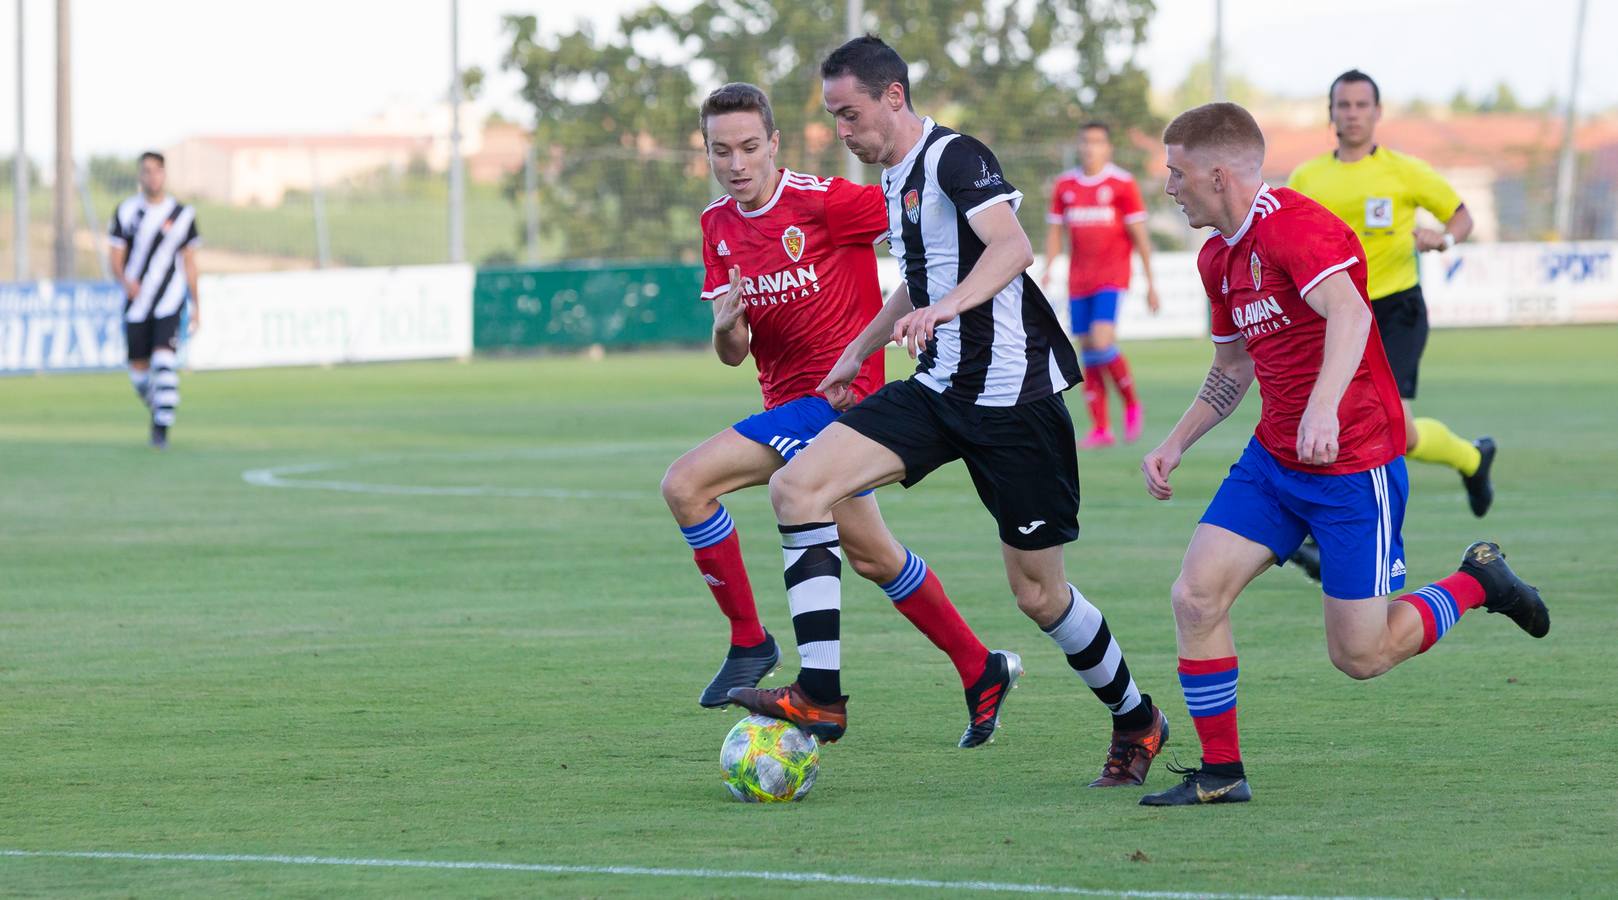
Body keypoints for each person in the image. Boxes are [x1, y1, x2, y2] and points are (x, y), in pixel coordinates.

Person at [728, 36, 1168, 788]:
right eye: (834, 118)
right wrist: (855, 349)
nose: (843, 131)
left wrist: (946, 310)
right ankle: (821, 696)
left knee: (1039, 594)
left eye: (851, 114)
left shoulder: (956, 156)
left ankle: (1136, 718)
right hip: (935, 394)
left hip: (1015, 405)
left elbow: (1012, 248)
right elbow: (919, 279)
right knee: (798, 488)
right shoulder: (896, 174)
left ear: (893, 96)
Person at [1139, 102, 1549, 806]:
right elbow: (1233, 369)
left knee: (1360, 655)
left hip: (1355, 465)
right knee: (1195, 596)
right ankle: (1222, 774)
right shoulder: (1216, 259)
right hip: (1274, 462)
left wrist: (1324, 405)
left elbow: (1352, 313)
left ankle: (1479, 581)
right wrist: (1176, 442)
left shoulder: (1296, 226)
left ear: (1216, 173)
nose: (1169, 188)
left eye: (1175, 174)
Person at [663, 82, 1014, 749]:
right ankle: (981, 667)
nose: (735, 163)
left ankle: (749, 641)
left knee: (686, 483)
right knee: (875, 558)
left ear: (773, 143)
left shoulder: (828, 203)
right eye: (720, 151)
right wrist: (726, 326)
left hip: (840, 403)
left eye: (747, 147)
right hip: (785, 407)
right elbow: (734, 354)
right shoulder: (717, 226)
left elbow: (926, 226)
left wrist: (950, 297)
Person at [1288, 70, 1493, 550]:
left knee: (1390, 427)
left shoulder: (1405, 171)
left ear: (1377, 113)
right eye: (1344, 105)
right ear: (1331, 113)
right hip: (1333, 314)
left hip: (1395, 310)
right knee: (1329, 416)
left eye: (1362, 105)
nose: (1353, 114)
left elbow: (1460, 215)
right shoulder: (1307, 177)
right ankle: (1468, 458)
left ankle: (1465, 459)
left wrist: (1443, 238)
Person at [1039, 122, 1161, 448]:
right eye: (1086, 142)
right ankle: (1101, 428)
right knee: (1088, 350)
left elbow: (1140, 236)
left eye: (1097, 142)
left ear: (1108, 147)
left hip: (1112, 275)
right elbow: (1055, 231)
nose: (1090, 148)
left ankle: (1132, 402)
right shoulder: (1065, 185)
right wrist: (1049, 267)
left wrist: (1151, 283)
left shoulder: (1122, 183)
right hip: (1079, 280)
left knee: (1101, 338)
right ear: (1079, 146)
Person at [108, 151, 200, 449]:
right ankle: (162, 407)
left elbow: (190, 262)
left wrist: (197, 304)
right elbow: (115, 256)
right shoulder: (126, 212)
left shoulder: (182, 214)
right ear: (140, 176)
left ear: (164, 174)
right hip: (137, 302)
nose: (152, 176)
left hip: (169, 300)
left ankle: (161, 430)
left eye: (157, 171)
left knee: (164, 361)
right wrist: (125, 281)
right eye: (146, 171)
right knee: (139, 374)